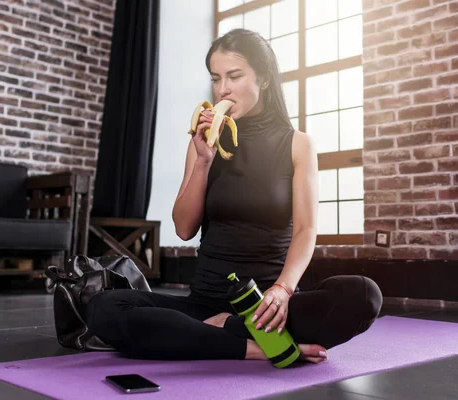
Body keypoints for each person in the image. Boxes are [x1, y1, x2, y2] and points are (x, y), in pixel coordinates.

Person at [85, 29, 383, 364]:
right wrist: (202, 160)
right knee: (103, 306)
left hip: (269, 307)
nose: (223, 88)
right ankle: (253, 347)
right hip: (204, 303)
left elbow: (305, 230)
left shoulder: (298, 144)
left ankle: (222, 332)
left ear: (265, 79)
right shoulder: (204, 142)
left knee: (364, 294)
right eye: (216, 78)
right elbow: (184, 228)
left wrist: (283, 291)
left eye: (235, 76)